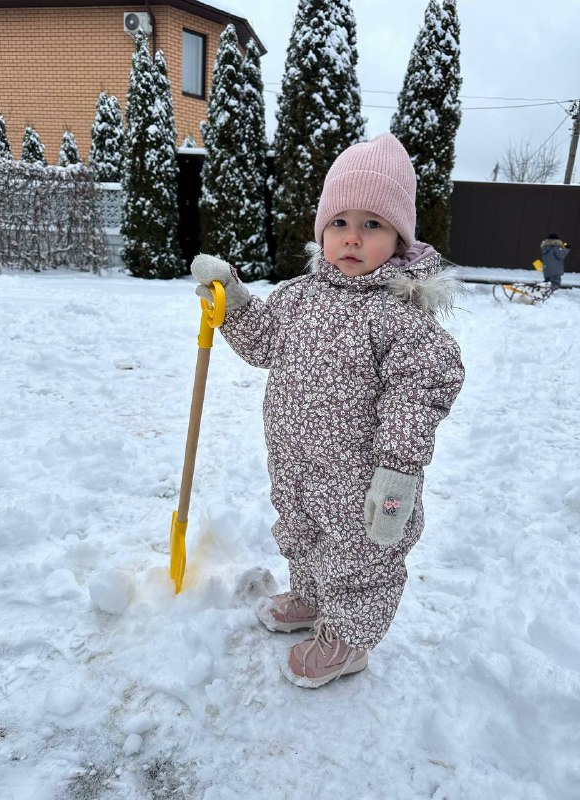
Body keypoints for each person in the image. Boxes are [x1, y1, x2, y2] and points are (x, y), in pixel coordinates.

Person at [191, 133, 465, 689]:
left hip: (363, 477)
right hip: (296, 461)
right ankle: (314, 600)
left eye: (372, 225)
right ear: (322, 230)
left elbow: (422, 390)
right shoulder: (297, 295)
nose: (353, 238)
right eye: (340, 222)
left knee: (360, 556)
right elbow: (265, 342)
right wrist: (234, 301)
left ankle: (349, 640)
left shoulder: (400, 319)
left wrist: (397, 471)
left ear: (399, 238)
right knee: (302, 533)